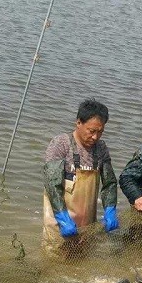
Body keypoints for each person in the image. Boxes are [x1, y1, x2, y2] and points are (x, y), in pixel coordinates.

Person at [42, 99, 118, 245]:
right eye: (91, 131)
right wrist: (62, 218)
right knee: (54, 259)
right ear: (78, 123)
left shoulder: (101, 148)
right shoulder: (61, 144)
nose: (95, 137)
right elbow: (53, 185)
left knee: (82, 260)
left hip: (87, 224)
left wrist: (110, 208)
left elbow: (109, 183)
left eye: (100, 132)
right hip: (59, 220)